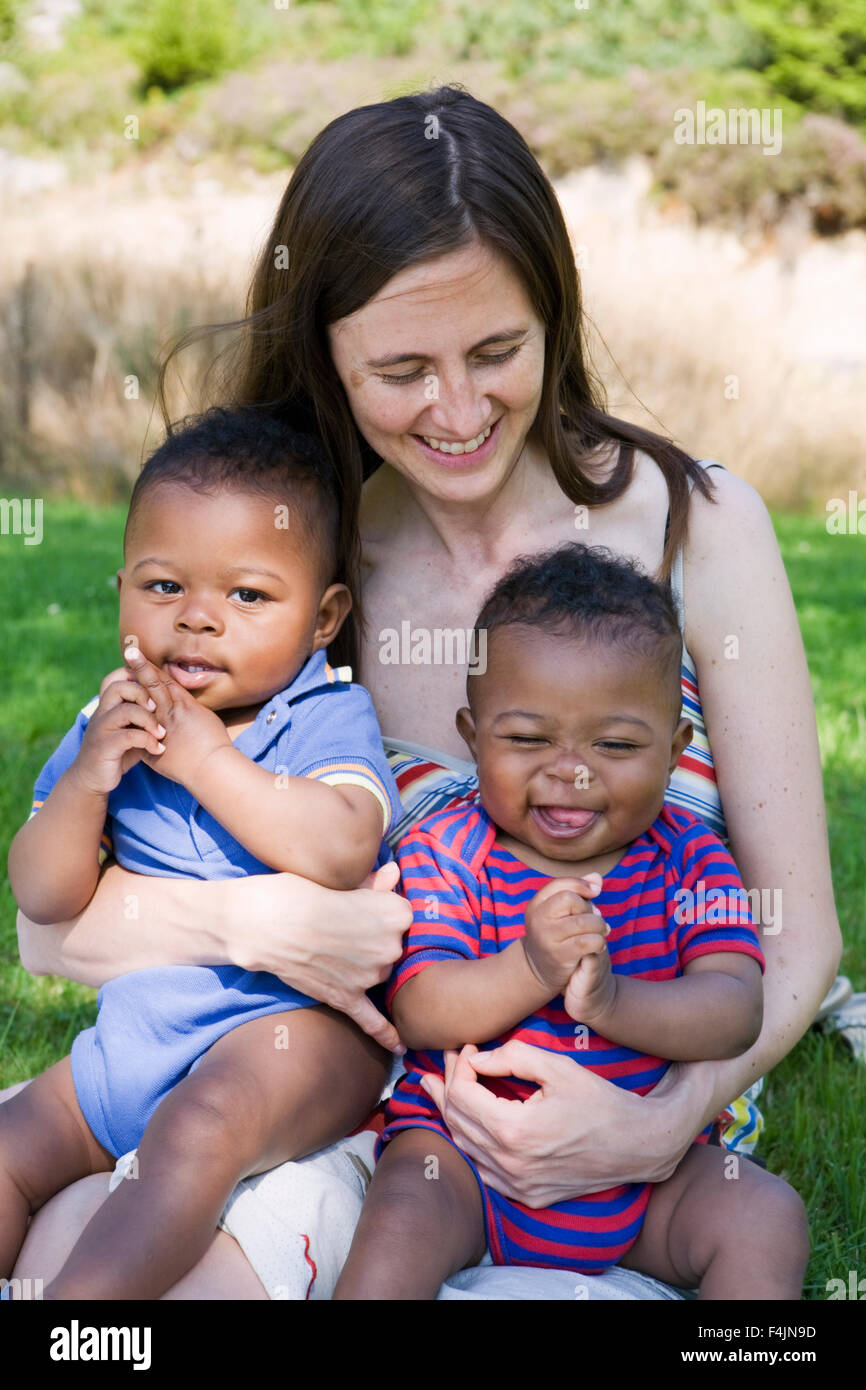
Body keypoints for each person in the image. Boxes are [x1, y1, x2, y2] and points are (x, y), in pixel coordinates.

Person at [9, 84, 841, 1301]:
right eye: (400, 369)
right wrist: (257, 927)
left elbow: (798, 934)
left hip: (649, 1120)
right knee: (68, 1238)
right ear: (328, 359)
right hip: (377, 1113)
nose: (458, 413)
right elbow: (52, 928)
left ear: (553, 314)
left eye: (496, 352)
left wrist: (656, 1127)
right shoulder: (290, 565)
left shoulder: (699, 528)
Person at [335, 544, 809, 1300]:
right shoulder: (451, 848)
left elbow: (734, 1010)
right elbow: (419, 1009)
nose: (572, 771)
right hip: (465, 1164)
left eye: (615, 745)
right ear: (472, 734)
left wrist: (613, 1001)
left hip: (644, 1177)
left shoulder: (690, 858)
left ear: (676, 750)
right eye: (527, 739)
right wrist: (531, 967)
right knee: (397, 1222)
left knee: (766, 1218)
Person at [3, 407, 402, 1300]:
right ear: (119, 591)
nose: (197, 621)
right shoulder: (110, 724)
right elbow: (42, 893)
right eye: (161, 587)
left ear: (323, 616)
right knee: (12, 1146)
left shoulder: (322, 716)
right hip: (143, 1033)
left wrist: (207, 759)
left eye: (248, 597)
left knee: (200, 1124)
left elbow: (340, 846)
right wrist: (84, 786)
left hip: (297, 1043)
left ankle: (85, 1318)